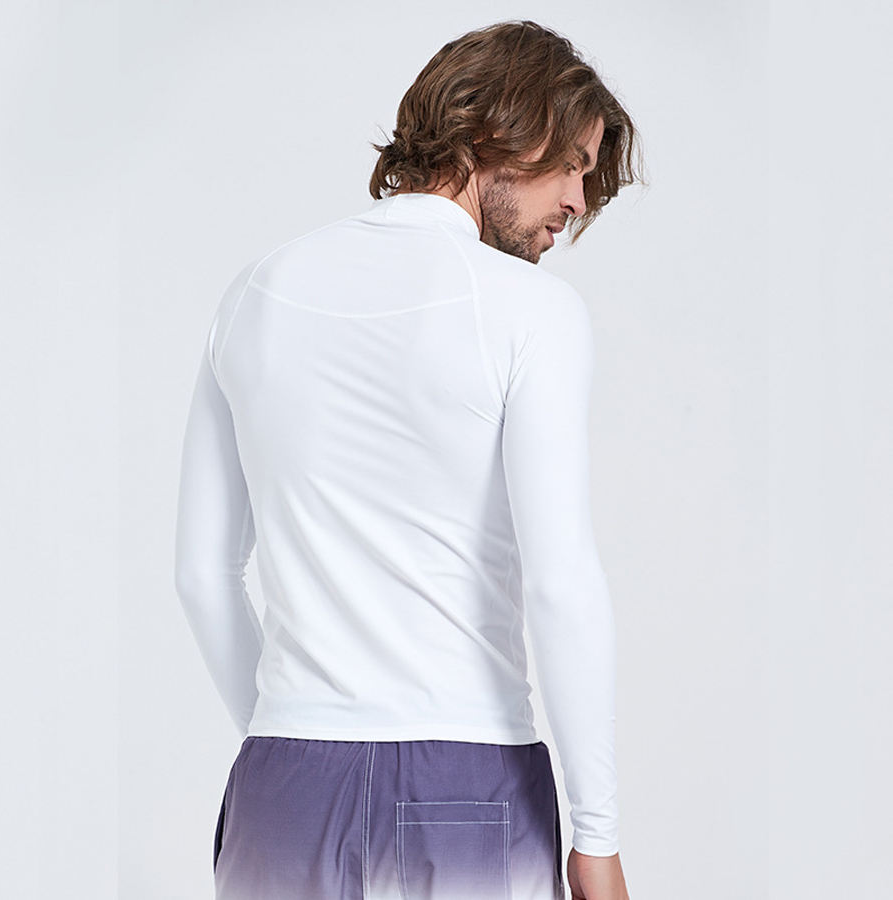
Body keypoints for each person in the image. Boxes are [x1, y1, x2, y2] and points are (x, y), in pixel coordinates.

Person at [174, 18, 642, 900]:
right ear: (501, 128)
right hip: (467, 775)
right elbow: (560, 582)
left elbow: (202, 575)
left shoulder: (254, 294)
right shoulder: (530, 311)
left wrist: (287, 736)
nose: (578, 200)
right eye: (573, 164)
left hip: (283, 783)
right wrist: (597, 834)